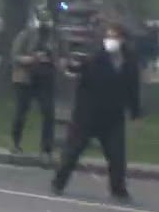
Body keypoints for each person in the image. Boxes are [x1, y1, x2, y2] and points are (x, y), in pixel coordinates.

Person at [51, 22, 141, 201]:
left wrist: (135, 111)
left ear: (123, 40)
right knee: (73, 150)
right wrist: (68, 65)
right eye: (109, 36)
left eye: (115, 37)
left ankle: (118, 189)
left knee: (117, 155)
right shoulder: (96, 56)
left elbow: (132, 87)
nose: (111, 40)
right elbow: (78, 67)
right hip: (87, 114)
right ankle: (58, 182)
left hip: (113, 115)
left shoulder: (129, 60)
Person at [10, 7, 59, 165]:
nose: (45, 26)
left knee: (48, 113)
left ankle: (46, 149)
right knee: (21, 111)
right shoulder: (26, 34)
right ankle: (15, 142)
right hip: (26, 77)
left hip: (46, 78)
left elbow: (61, 55)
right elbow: (15, 56)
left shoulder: (54, 36)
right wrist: (32, 58)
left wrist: (55, 60)